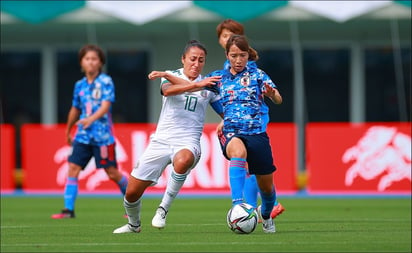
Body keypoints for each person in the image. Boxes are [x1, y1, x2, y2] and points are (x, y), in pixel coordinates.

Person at [113, 40, 223, 233]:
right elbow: (167, 91)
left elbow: (225, 112)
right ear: (183, 59)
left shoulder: (208, 86)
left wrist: (226, 120)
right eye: (192, 59)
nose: (196, 64)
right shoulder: (172, 77)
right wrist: (194, 84)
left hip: (189, 142)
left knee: (184, 159)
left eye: (201, 60)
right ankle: (133, 225)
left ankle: (163, 209)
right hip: (161, 141)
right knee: (131, 193)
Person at [207, 34, 283, 233]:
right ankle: (237, 206)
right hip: (232, 133)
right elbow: (194, 87)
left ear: (248, 55)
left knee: (266, 189)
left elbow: (278, 99)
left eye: (242, 55)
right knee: (237, 153)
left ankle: (265, 215)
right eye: (233, 56)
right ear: (227, 55)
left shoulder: (258, 75)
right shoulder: (218, 77)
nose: (238, 60)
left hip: (257, 134)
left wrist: (272, 94)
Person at [51, 44, 128, 219]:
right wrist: (68, 129)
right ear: (82, 63)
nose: (91, 62)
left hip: (102, 137)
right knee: (72, 168)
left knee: (112, 173)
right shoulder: (79, 85)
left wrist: (89, 119)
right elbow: (75, 108)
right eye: (87, 59)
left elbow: (106, 106)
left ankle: (132, 202)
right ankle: (68, 210)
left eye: (94, 59)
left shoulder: (106, 82)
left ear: (100, 63)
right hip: (83, 136)